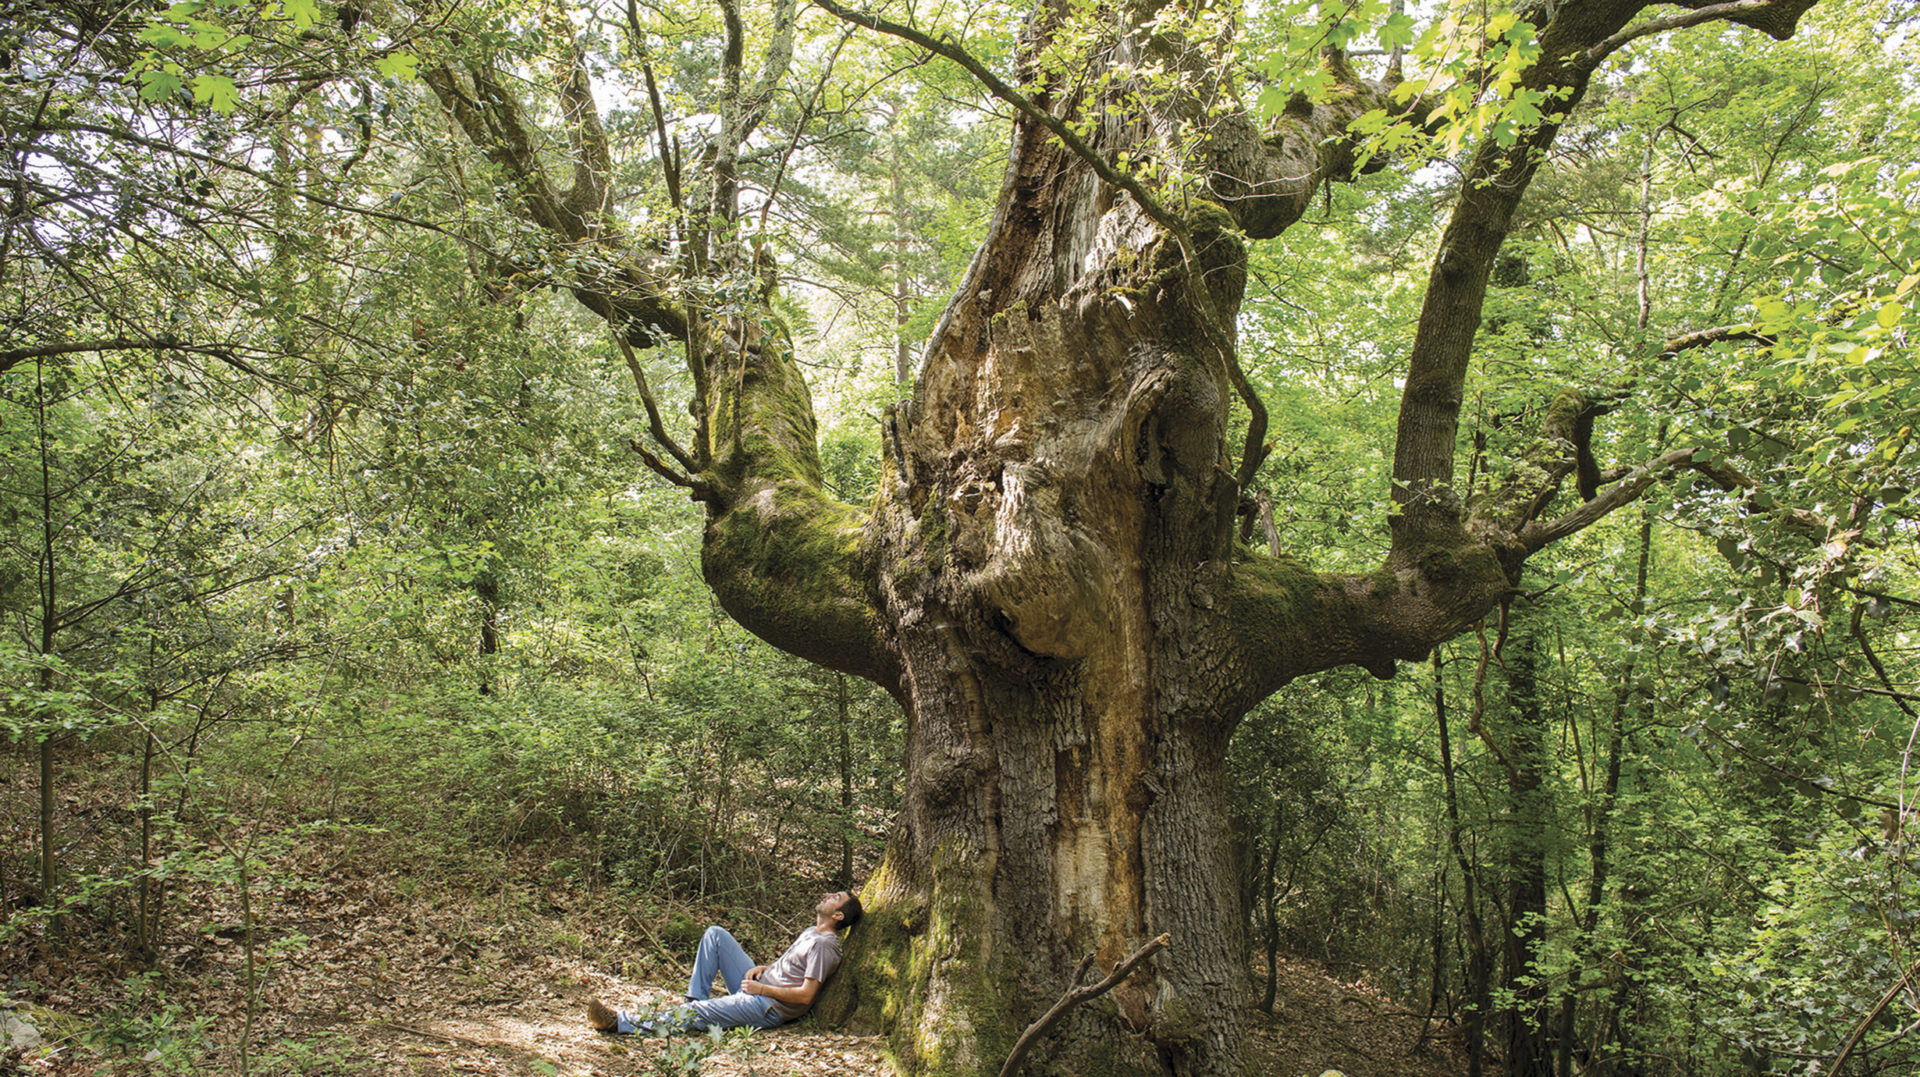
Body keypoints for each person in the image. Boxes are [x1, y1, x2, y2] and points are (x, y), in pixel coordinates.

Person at [587, 890, 861, 1035]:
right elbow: (792, 966)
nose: (827, 895)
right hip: (757, 985)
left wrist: (763, 990)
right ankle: (694, 1002)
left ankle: (619, 1022)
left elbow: (806, 995)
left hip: (767, 1006)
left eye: (834, 898)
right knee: (715, 935)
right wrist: (764, 969)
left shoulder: (825, 945)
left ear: (838, 916)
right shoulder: (812, 932)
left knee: (701, 1015)